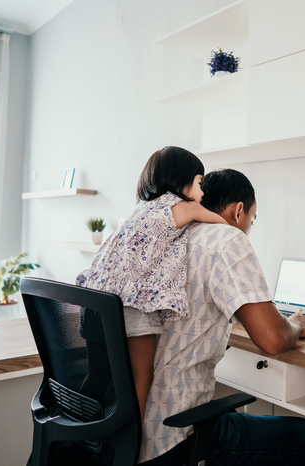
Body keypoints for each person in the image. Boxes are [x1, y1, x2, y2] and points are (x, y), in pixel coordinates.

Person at [134, 168, 305, 465]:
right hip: (173, 434)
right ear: (238, 211)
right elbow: (272, 340)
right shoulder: (225, 237)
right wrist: (296, 324)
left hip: (129, 427)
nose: (248, 227)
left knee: (230, 413)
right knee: (304, 436)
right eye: (252, 218)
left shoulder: (167, 234)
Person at [77, 146, 227, 418]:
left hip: (97, 302)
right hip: (135, 305)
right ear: (181, 181)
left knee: (98, 378)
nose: (202, 193)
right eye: (199, 183)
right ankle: (131, 446)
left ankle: (86, 435)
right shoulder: (182, 206)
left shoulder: (139, 210)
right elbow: (223, 227)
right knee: (139, 381)